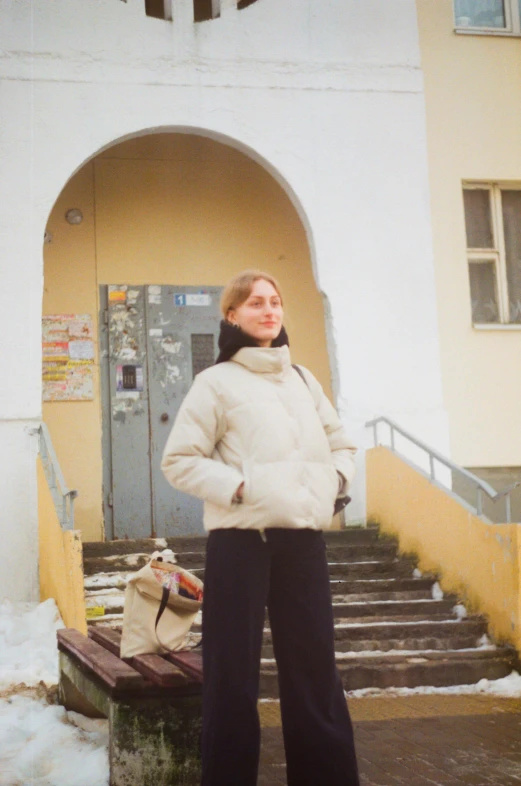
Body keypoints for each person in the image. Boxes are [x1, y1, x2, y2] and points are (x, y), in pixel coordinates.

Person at [161, 270, 360, 786]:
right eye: (255, 303)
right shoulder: (215, 383)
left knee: (316, 673)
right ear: (232, 315)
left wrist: (332, 480)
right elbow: (179, 459)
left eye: (275, 301)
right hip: (241, 543)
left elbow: (342, 443)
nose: (269, 310)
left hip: (302, 542)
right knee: (231, 678)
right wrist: (242, 489)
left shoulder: (303, 379)